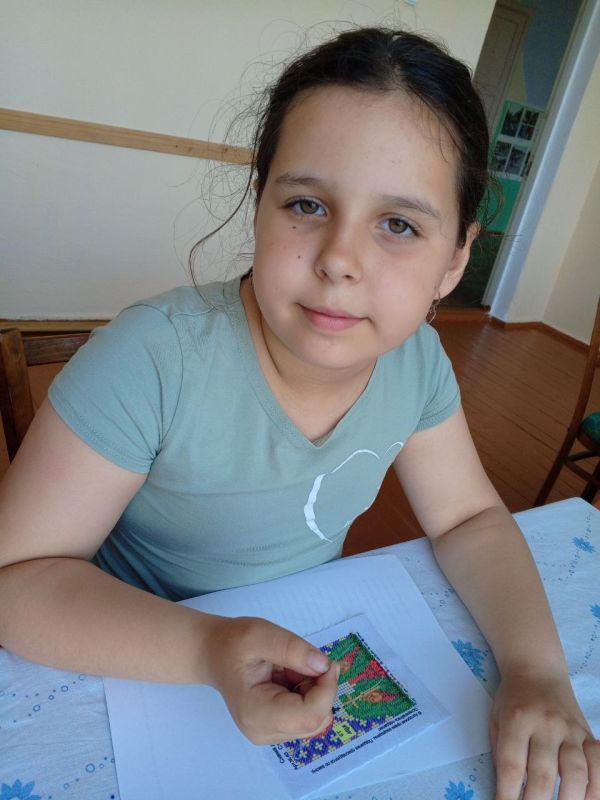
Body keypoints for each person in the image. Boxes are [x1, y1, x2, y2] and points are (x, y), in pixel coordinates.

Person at [0, 26, 597, 799]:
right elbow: (16, 582)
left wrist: (538, 670)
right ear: (260, 205)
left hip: (285, 657)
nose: (339, 259)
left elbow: (470, 520)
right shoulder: (152, 358)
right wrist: (208, 649)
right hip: (128, 657)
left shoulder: (414, 361)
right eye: (307, 204)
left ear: (455, 259)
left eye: (399, 224)